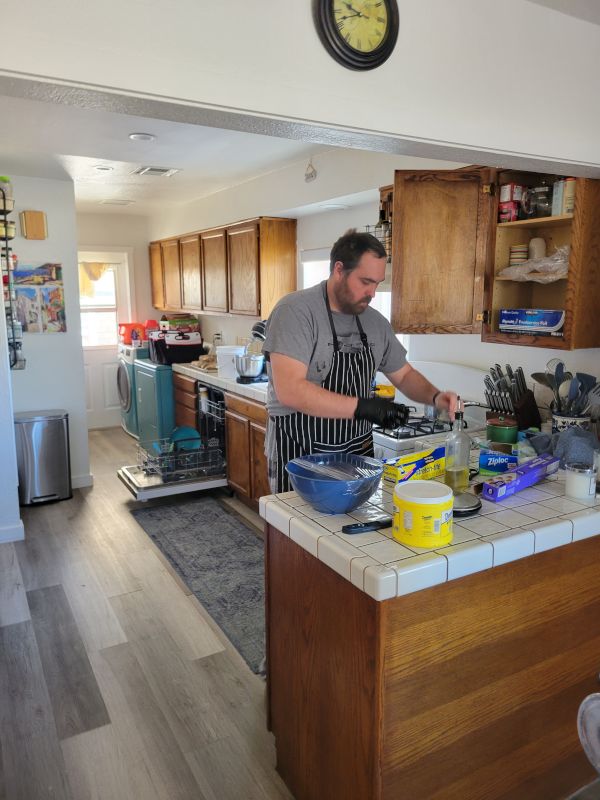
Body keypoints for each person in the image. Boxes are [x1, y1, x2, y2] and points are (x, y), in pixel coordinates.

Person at [262, 229, 458, 493]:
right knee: (296, 520)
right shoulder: (295, 312)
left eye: (377, 283)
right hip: (300, 451)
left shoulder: (375, 323)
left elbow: (404, 375)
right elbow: (291, 391)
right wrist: (365, 407)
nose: (372, 293)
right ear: (339, 270)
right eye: (365, 282)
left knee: (354, 520)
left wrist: (435, 397)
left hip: (357, 451)